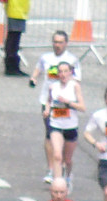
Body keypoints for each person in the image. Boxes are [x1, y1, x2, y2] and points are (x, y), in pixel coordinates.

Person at [30, 31, 81, 183]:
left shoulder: (72, 60)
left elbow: (77, 79)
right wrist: (34, 77)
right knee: (50, 134)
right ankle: (51, 169)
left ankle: (64, 165)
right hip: (48, 101)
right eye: (55, 42)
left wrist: (63, 77)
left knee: (64, 137)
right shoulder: (46, 57)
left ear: (66, 43)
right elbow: (38, 68)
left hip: (66, 102)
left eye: (60, 42)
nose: (57, 45)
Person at [44, 62, 84, 189]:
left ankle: (68, 175)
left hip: (70, 126)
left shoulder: (75, 86)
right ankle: (57, 184)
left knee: (67, 160)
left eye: (65, 71)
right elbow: (49, 101)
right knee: (57, 155)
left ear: (70, 72)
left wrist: (68, 103)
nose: (63, 74)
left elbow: (82, 107)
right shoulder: (53, 87)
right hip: (56, 124)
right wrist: (47, 110)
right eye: (60, 72)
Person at [2, 0, 30, 77]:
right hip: (16, 10)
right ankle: (11, 66)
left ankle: (12, 66)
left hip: (18, 9)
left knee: (14, 38)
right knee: (13, 39)